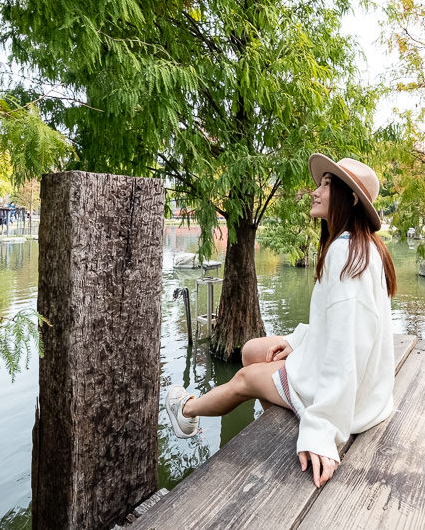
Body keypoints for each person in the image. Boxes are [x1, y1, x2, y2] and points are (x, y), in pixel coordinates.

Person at [164, 154, 397, 489]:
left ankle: (185, 411)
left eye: (327, 185)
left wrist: (321, 429)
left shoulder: (344, 256)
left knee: (245, 378)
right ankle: (273, 414)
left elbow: (348, 350)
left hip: (351, 403)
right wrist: (298, 342)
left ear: (352, 198)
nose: (315, 191)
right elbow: (338, 326)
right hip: (360, 389)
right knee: (252, 349)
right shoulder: (359, 246)